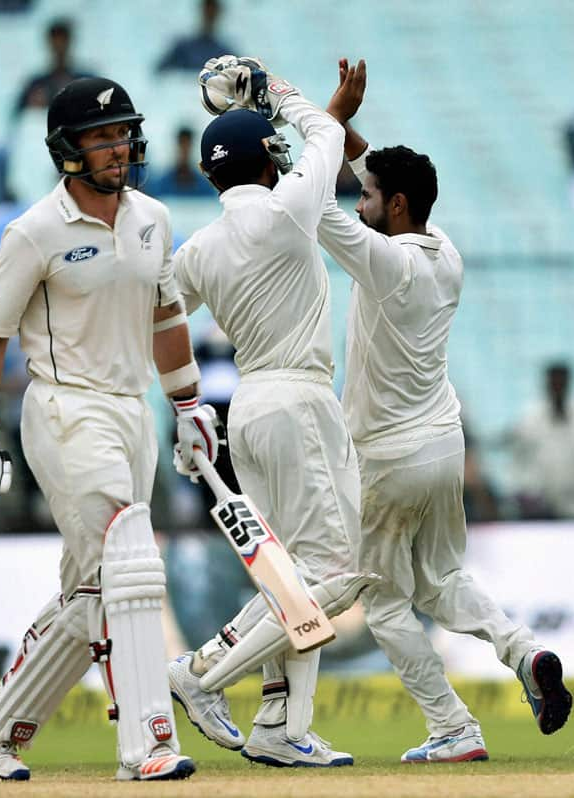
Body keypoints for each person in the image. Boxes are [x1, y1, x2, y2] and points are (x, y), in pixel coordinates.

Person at [0, 76, 215, 782]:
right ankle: (148, 743)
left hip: (132, 412)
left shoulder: (153, 216)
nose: (117, 147)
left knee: (92, 590)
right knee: (128, 567)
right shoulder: (33, 231)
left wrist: (187, 405)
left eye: (122, 133)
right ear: (68, 149)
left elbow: (168, 317)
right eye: (101, 137)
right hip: (66, 410)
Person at [314, 59, 572, 761]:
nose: (357, 201)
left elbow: (304, 202)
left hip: (388, 460)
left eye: (367, 196)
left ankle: (452, 729)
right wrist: (345, 126)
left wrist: (316, 116)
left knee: (389, 599)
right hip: (441, 448)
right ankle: (525, 654)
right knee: (445, 577)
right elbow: (369, 173)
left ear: (395, 206)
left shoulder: (383, 262)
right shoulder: (444, 251)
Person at [165, 57, 373, 768]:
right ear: (264, 160)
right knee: (338, 574)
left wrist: (182, 404)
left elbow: (156, 320)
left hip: (246, 409)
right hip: (298, 402)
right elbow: (324, 133)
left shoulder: (198, 247)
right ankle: (200, 675)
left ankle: (281, 727)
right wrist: (284, 92)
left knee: (289, 572)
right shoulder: (290, 208)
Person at [511, 362, 574, 519]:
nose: (557, 388)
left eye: (561, 383)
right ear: (547, 384)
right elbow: (518, 462)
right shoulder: (530, 419)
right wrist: (527, 493)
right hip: (541, 508)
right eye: (554, 383)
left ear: (568, 383)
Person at [14, 19, 93, 115]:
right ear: (49, 45)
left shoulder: (89, 83)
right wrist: (32, 108)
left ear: (70, 44)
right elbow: (17, 117)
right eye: (55, 45)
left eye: (63, 44)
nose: (59, 50)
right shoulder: (36, 86)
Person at [156, 0, 236, 73]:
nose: (209, 18)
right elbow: (161, 71)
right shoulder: (183, 48)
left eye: (212, 14)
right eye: (207, 12)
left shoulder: (225, 54)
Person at [149, 126, 212, 198]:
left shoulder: (204, 185)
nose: (184, 150)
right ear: (176, 146)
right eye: (182, 144)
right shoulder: (161, 183)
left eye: (187, 145)